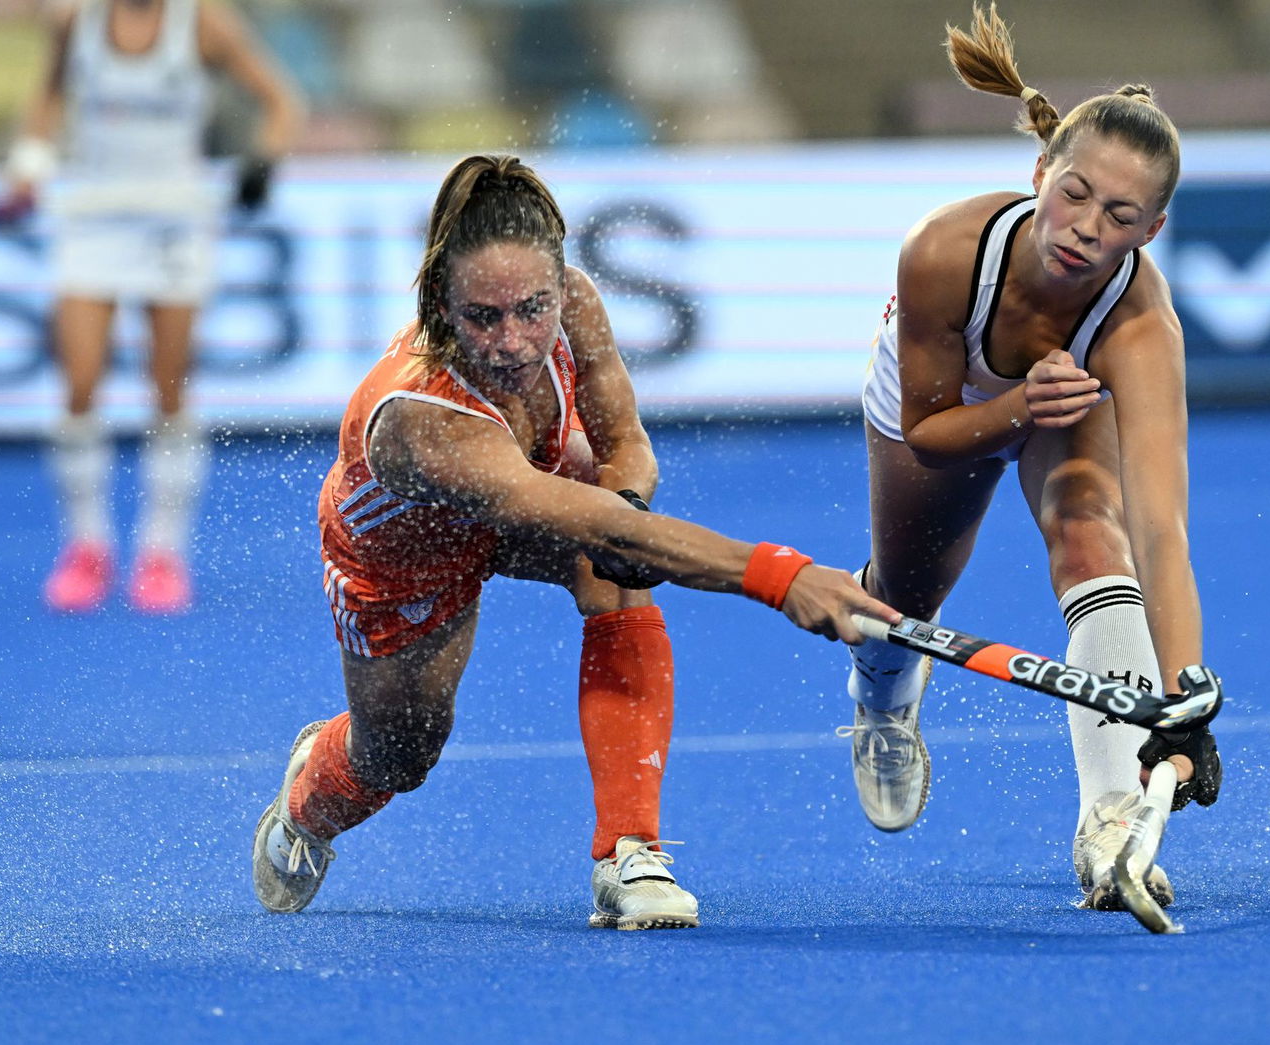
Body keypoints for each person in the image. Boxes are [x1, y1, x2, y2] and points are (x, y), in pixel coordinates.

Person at [252, 154, 898, 930]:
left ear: (560, 284)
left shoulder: (577, 304)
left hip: (531, 485)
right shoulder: (421, 417)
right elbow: (595, 521)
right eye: (482, 317)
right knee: (401, 756)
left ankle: (630, 851)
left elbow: (626, 445)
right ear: (440, 303)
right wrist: (781, 577)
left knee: (616, 561)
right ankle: (308, 801)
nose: (514, 342)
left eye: (533, 309)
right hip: (404, 559)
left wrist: (628, 511)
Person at [838, 4, 1222, 913]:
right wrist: (1016, 405)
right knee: (905, 597)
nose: (1086, 226)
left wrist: (1185, 700)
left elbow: (1162, 530)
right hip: (941, 409)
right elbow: (930, 432)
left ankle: (1110, 817)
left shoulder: (1140, 325)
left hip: (1066, 400)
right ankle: (884, 695)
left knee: (1094, 535)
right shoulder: (943, 252)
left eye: (1120, 215)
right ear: (1041, 171)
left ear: (1151, 232)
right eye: (1076, 193)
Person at [0, 0, 303, 613]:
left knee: (168, 389)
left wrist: (262, 161)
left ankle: (162, 552)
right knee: (79, 384)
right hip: (93, 218)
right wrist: (29, 164)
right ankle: (87, 547)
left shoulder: (203, 22)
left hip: (175, 222)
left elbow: (281, 100)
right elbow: (48, 98)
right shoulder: (77, 21)